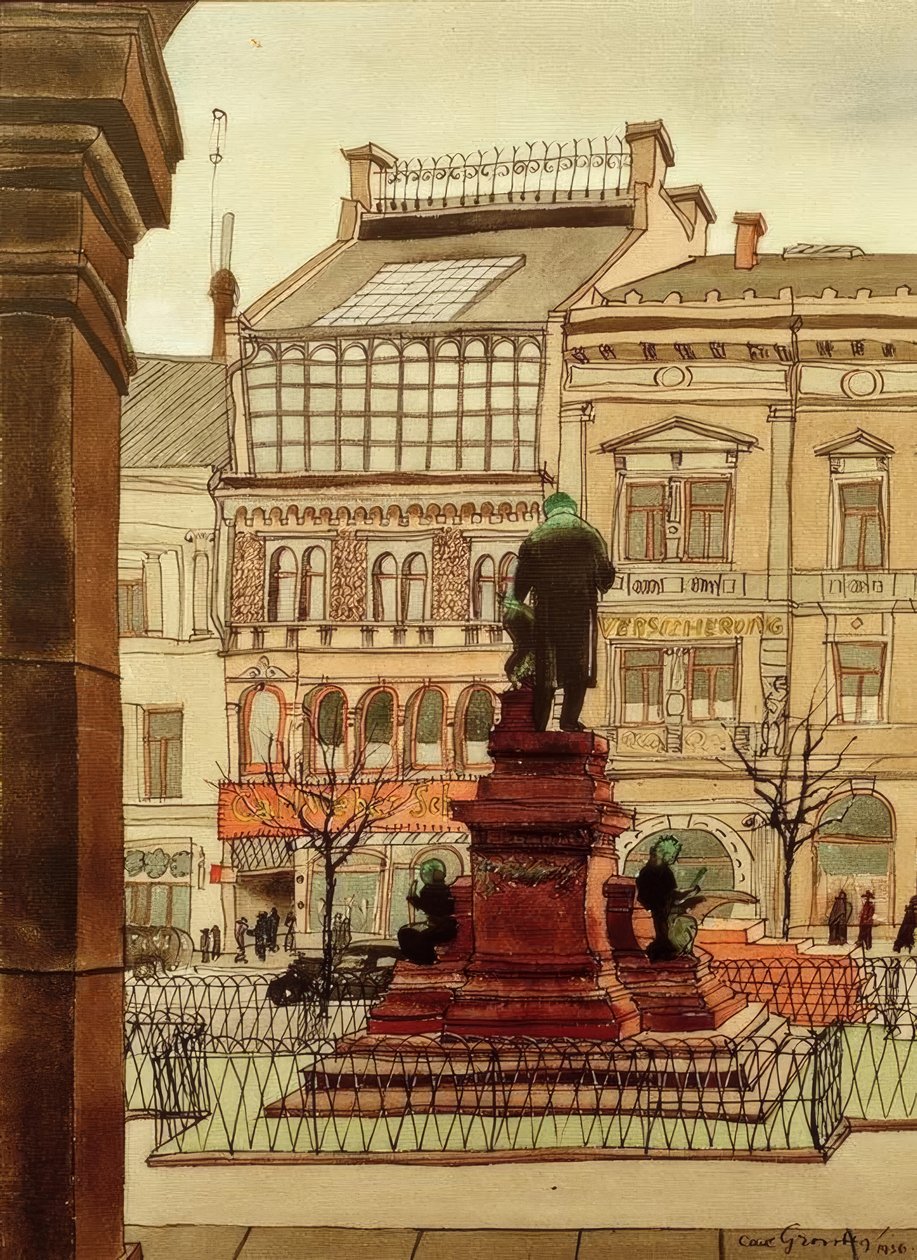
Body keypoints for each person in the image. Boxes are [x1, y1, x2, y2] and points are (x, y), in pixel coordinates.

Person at [512, 491, 616, 732]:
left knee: (546, 674)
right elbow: (605, 580)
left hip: (547, 616)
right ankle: (569, 721)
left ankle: (538, 725)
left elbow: (519, 589)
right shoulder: (590, 535)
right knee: (577, 673)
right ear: (572, 509)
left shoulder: (534, 539)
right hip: (580, 615)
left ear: (548, 511)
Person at [635, 835, 704, 962]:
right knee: (686, 924)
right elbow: (673, 896)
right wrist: (690, 892)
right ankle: (680, 952)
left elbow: (670, 896)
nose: (674, 859)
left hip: (661, 913)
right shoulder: (662, 873)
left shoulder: (649, 871)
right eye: (673, 855)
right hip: (663, 915)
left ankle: (678, 951)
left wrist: (686, 894)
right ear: (665, 853)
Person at [397, 858, 457, 966]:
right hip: (433, 923)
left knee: (420, 936)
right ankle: (415, 958)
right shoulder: (429, 889)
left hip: (444, 926)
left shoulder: (442, 890)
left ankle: (427, 960)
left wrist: (415, 900)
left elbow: (432, 908)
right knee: (405, 932)